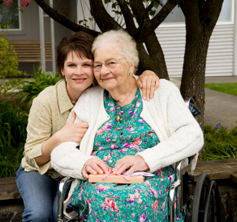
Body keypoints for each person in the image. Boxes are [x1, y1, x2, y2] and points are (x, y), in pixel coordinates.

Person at [50, 30, 204, 221]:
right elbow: (60, 151)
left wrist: (145, 159)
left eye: (111, 63)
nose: (104, 70)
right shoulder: (90, 100)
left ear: (131, 64)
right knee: (102, 197)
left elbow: (192, 135)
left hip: (151, 178)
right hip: (99, 182)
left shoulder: (161, 91)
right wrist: (83, 163)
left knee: (136, 199)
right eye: (98, 65)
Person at [15, 31, 160, 222]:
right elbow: (32, 157)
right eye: (71, 65)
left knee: (66, 210)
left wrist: (147, 74)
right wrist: (60, 137)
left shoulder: (104, 91)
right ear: (62, 69)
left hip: (78, 171)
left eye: (87, 65)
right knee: (39, 215)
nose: (79, 72)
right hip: (42, 170)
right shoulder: (46, 101)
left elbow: (126, 76)